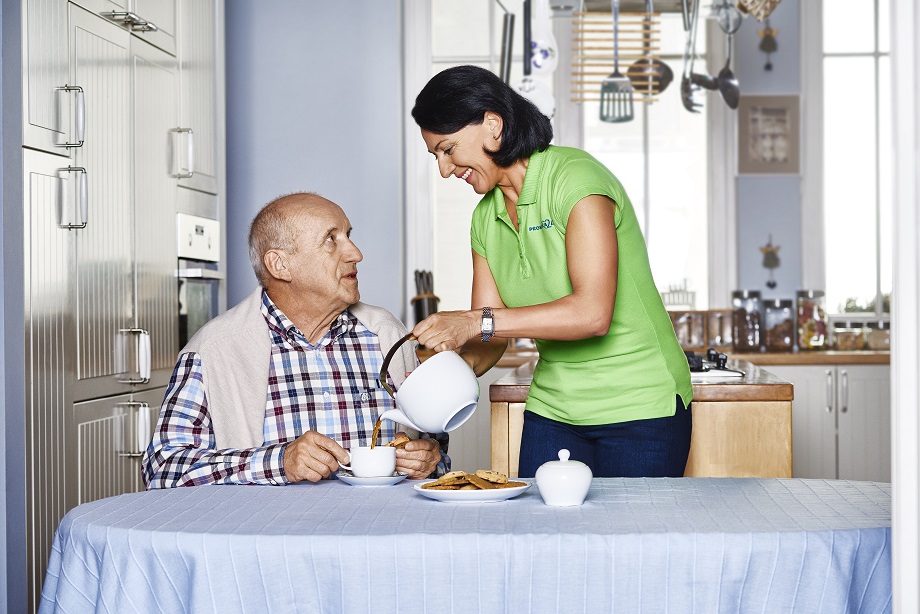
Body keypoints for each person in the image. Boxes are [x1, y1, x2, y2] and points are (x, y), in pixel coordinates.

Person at [409, 65, 692, 479]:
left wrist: (471, 322)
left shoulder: (575, 179)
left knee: (629, 544)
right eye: (435, 155)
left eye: (448, 149)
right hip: (554, 408)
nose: (444, 170)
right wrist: (442, 372)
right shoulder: (484, 220)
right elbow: (491, 337)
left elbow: (592, 314)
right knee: (543, 541)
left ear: (492, 125)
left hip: (641, 405)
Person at [143, 192, 448, 488]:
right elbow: (162, 469)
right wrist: (280, 462)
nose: (356, 253)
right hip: (269, 535)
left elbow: (437, 449)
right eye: (331, 239)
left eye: (348, 235)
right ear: (280, 265)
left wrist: (430, 459)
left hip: (377, 531)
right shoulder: (213, 349)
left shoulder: (387, 333)